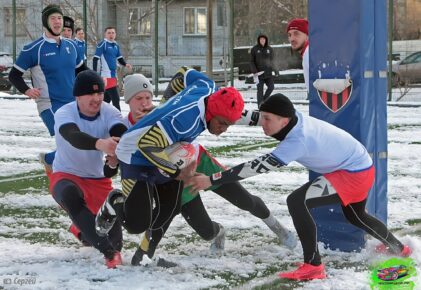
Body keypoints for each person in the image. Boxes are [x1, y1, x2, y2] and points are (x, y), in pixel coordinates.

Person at [186, 93, 412, 281]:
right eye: (262, 118)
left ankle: (314, 265)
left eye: (267, 120)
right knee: (356, 216)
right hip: (357, 165)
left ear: (284, 121)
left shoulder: (297, 139)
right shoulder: (287, 118)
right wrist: (221, 114)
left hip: (354, 172)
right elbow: (249, 116)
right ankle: (399, 249)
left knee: (297, 201)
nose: (261, 123)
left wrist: (211, 180)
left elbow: (255, 167)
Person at [121, 73, 296, 265]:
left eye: (147, 96)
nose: (145, 102)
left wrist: (165, 102)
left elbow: (183, 75)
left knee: (242, 199)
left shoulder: (209, 98)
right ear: (127, 99)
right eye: (139, 98)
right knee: (203, 230)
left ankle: (278, 228)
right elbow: (136, 148)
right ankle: (218, 232)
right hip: (173, 173)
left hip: (196, 160)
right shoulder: (126, 126)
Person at [95, 70, 244, 264]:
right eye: (222, 123)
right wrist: (177, 172)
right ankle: (114, 202)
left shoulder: (208, 88)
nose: (223, 130)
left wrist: (166, 102)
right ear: (212, 111)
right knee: (137, 224)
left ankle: (144, 257)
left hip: (161, 150)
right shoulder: (183, 121)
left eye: (229, 125)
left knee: (170, 205)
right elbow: (147, 145)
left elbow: (183, 74)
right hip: (134, 155)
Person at [49, 70, 127, 268]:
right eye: (90, 94)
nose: (96, 98)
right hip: (66, 175)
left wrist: (116, 153)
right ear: (77, 96)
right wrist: (102, 144)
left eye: (100, 93)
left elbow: (121, 133)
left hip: (98, 179)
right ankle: (109, 255)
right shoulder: (65, 112)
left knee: (116, 238)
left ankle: (81, 231)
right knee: (70, 195)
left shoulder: (110, 111)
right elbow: (73, 136)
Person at [8, 4, 86, 171]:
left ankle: (51, 160)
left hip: (73, 102)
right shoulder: (33, 49)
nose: (58, 22)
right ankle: (60, 171)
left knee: (81, 140)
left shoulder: (71, 46)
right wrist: (27, 90)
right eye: (53, 18)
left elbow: (81, 70)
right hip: (49, 105)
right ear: (46, 22)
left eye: (59, 18)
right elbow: (14, 75)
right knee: (70, 140)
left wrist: (95, 84)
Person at [93, 27, 132, 111]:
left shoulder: (115, 45)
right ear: (105, 34)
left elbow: (119, 58)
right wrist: (94, 74)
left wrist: (125, 64)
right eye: (109, 33)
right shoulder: (102, 44)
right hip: (106, 77)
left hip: (113, 76)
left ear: (115, 34)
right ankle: (119, 120)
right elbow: (95, 59)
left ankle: (97, 115)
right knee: (116, 100)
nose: (111, 35)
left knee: (106, 100)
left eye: (113, 33)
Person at [250, 34, 274, 107]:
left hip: (268, 73)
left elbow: (272, 61)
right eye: (261, 39)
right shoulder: (254, 49)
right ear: (259, 40)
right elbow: (251, 61)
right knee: (260, 91)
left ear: (266, 40)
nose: (262, 40)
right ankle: (260, 106)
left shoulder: (269, 49)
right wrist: (254, 71)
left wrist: (276, 70)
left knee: (271, 87)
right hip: (258, 74)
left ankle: (264, 101)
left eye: (264, 39)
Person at [287, 18, 309, 92]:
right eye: (289, 35)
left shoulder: (310, 53)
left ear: (307, 35)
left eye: (296, 33)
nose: (291, 39)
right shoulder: (307, 53)